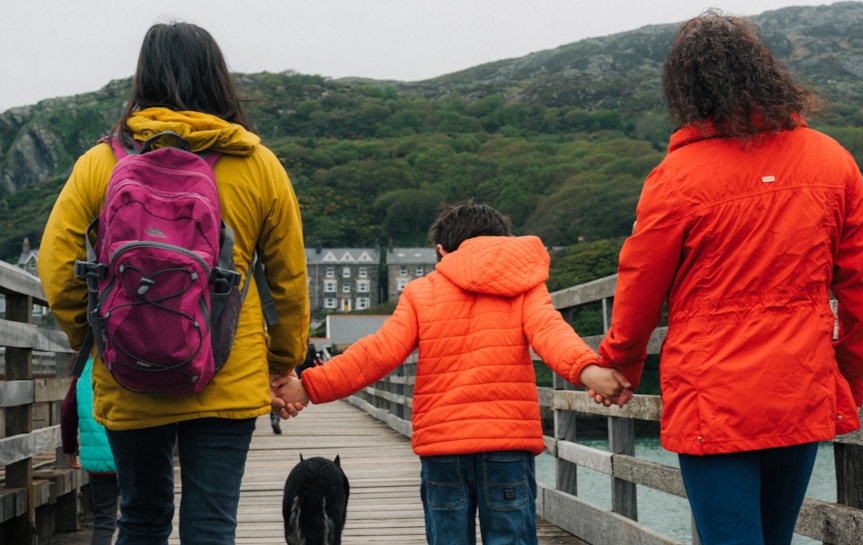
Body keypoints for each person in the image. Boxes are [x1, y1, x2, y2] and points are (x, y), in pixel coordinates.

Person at [594, 11, 863, 545]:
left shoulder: (675, 178)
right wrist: (847, 370)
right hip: (800, 382)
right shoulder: (832, 159)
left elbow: (639, 285)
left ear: (687, 88)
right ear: (766, 72)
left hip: (712, 393)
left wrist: (621, 362)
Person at [37, 21, 310, 545]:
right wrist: (282, 362)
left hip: (128, 369)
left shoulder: (101, 163)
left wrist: (97, 337)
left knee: (141, 517)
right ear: (218, 77)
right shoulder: (258, 165)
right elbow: (289, 281)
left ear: (144, 77)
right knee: (212, 522)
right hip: (228, 372)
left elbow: (55, 264)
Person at [272, 201, 633, 545]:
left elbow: (378, 352)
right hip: (506, 442)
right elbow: (551, 333)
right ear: (502, 241)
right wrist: (588, 370)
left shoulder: (422, 292)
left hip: (443, 445)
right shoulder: (525, 285)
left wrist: (308, 387)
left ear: (442, 251)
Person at [61, 356, 119, 545]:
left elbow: (67, 411)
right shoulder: (130, 359)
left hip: (97, 458)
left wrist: (71, 448)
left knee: (104, 520)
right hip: (133, 455)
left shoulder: (83, 370)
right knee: (138, 516)